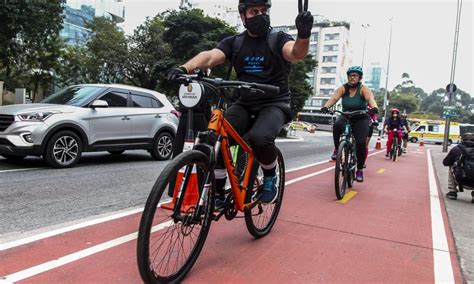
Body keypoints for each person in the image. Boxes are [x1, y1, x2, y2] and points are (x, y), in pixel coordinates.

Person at [166, 0, 313, 205]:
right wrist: (184, 68)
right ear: (243, 16)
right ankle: (218, 191)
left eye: (264, 11)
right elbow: (210, 57)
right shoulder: (234, 42)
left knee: (260, 138)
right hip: (243, 102)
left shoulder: (277, 38)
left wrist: (303, 35)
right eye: (255, 12)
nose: (261, 15)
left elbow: (295, 52)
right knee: (215, 140)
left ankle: (270, 176)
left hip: (274, 102)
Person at [321, 66, 378, 182]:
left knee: (361, 143)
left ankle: (360, 169)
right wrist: (326, 106)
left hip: (360, 118)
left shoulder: (363, 88)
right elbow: (334, 98)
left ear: (359, 77)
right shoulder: (343, 88)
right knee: (337, 125)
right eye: (350, 75)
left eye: (355, 75)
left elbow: (370, 98)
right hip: (346, 116)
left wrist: (374, 107)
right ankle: (337, 149)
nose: (352, 77)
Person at [443, 132, 474, 203]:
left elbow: (445, 163)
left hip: (461, 180)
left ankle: (452, 191)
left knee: (452, 165)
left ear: (462, 140)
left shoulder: (456, 149)